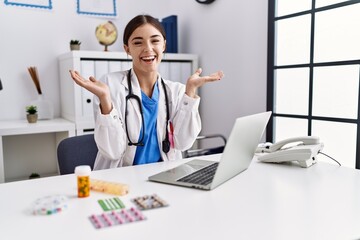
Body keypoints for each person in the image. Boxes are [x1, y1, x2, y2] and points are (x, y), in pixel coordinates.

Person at [69, 14, 224, 170]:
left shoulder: (176, 91)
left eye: (155, 41)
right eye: (138, 42)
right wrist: (104, 99)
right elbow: (113, 152)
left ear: (164, 45)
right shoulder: (110, 86)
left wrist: (190, 93)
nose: (148, 49)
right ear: (127, 49)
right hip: (120, 177)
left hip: (164, 175)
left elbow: (183, 143)